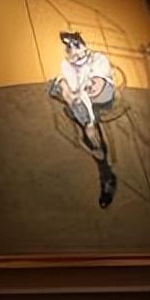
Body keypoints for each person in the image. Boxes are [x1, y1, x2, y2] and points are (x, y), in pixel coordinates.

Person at [47, 31, 117, 208]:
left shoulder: (98, 60)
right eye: (68, 46)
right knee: (61, 88)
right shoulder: (67, 64)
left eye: (75, 44)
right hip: (83, 101)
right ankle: (86, 126)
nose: (72, 49)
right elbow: (75, 89)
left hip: (102, 97)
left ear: (83, 44)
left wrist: (90, 122)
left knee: (91, 135)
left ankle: (107, 177)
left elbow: (94, 91)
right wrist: (66, 87)